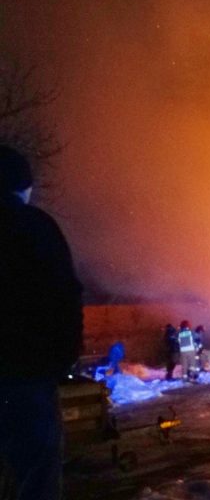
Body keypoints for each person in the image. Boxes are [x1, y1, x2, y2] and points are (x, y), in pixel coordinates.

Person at [0, 146, 83, 500]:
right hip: (28, 381)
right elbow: (66, 298)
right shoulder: (36, 227)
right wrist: (59, 363)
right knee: (36, 481)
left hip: (26, 377)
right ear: (22, 187)